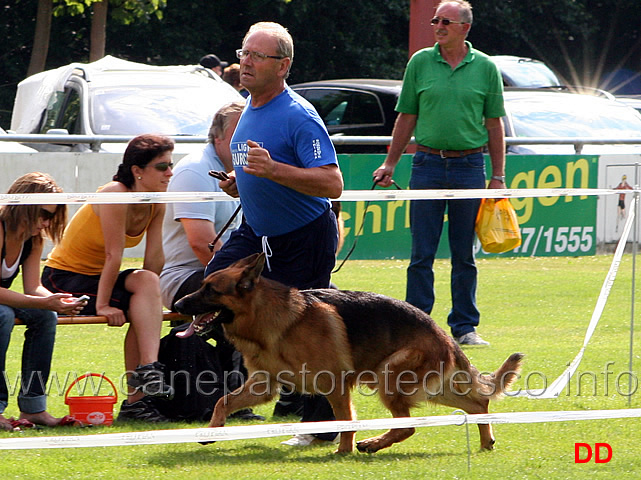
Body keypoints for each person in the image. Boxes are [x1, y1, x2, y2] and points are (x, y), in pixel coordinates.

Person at [205, 21, 343, 446]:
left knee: (310, 332)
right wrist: (240, 181)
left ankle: (320, 427)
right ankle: (260, 383)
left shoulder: (298, 115)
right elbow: (258, 167)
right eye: (244, 52)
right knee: (209, 289)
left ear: (282, 66)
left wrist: (273, 172)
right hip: (257, 233)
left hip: (304, 235)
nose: (245, 61)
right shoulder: (247, 104)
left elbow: (332, 183)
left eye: (257, 56)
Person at [373, 0, 506, 347]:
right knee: (422, 253)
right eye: (435, 20)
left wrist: (498, 175)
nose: (437, 26)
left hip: (470, 166)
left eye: (445, 21)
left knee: (465, 253)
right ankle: (417, 325)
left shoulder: (486, 67)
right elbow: (406, 117)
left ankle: (464, 328)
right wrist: (390, 163)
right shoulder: (419, 62)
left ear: (465, 27)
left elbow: (494, 124)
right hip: (427, 164)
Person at [42, 134, 176, 423]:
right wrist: (103, 305)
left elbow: (154, 259)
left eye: (170, 165)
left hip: (100, 276)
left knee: (146, 294)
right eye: (162, 166)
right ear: (137, 171)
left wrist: (151, 301)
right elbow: (113, 255)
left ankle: (142, 388)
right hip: (64, 278)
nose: (170, 173)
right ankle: (143, 387)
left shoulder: (155, 200)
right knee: (142, 304)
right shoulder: (115, 192)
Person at [0, 172, 87, 431]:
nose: (47, 223)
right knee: (2, 316)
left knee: (45, 316)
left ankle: (33, 407)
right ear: (22, 206)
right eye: (44, 214)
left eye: (52, 217)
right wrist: (45, 302)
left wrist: (57, 301)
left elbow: (33, 287)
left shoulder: (33, 239)